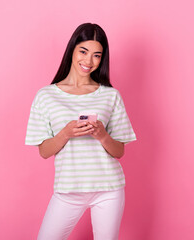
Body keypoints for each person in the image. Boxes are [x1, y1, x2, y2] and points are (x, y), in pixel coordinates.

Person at [25, 23, 137, 240]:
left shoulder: (110, 95)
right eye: (83, 52)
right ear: (72, 51)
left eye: (97, 55)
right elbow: (44, 152)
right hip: (68, 190)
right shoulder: (46, 96)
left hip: (109, 189)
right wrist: (66, 133)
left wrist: (102, 135)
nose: (88, 61)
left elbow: (119, 151)